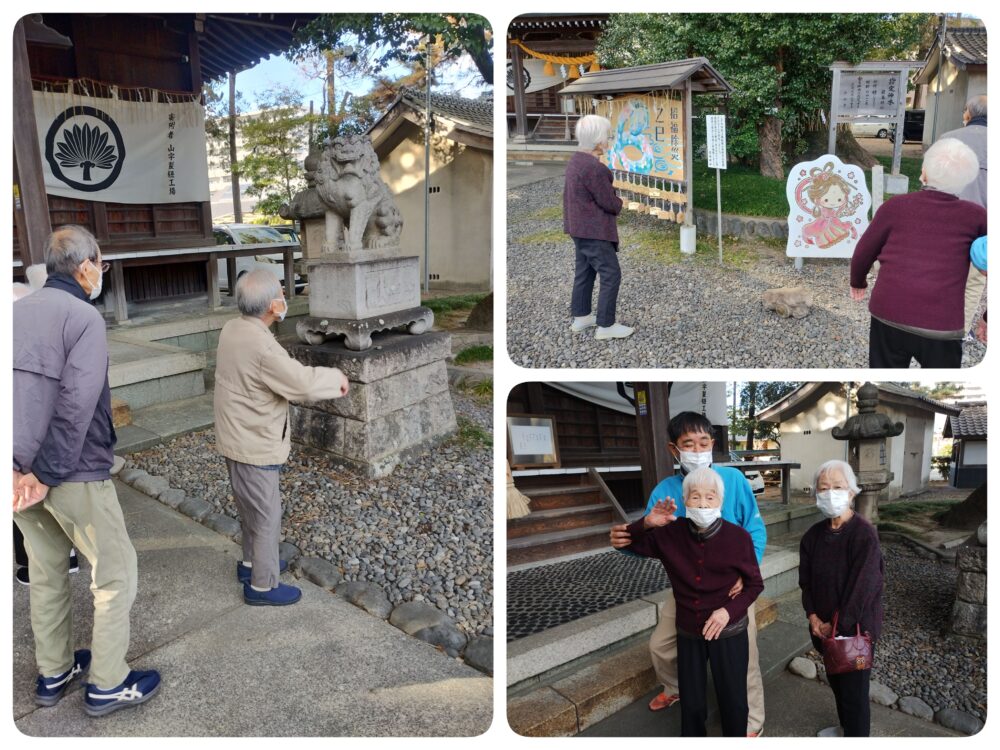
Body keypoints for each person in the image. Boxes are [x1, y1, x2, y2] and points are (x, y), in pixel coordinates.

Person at [13, 225, 161, 716]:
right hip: (69, 473)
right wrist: (46, 472)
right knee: (116, 574)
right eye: (100, 261)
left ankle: (54, 673)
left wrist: (16, 471)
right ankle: (107, 683)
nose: (101, 270)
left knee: (47, 570)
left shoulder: (15, 313)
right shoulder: (82, 317)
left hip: (15, 478)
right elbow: (77, 404)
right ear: (85, 267)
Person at [610, 411, 767, 736]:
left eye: (704, 443)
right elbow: (640, 542)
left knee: (745, 656)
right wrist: (635, 529)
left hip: (733, 587)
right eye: (688, 444)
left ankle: (751, 721)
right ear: (674, 449)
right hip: (687, 588)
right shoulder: (666, 490)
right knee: (661, 645)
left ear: (713, 444)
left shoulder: (734, 481)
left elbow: (755, 529)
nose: (697, 450)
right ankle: (678, 687)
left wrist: (745, 572)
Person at [214, 268, 349, 606]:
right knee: (265, 516)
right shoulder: (262, 346)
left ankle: (251, 564)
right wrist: (336, 380)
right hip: (254, 441)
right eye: (282, 295)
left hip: (235, 434)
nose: (285, 300)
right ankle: (262, 585)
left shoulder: (233, 328)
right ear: (272, 305)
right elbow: (300, 384)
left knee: (249, 509)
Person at [850, 137, 987, 368]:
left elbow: (864, 250)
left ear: (923, 172)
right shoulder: (977, 216)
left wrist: (858, 281)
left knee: (885, 374)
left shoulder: (894, 206)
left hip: (888, 313)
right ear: (966, 182)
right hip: (942, 326)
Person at [798, 460, 884, 737]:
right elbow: (806, 582)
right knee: (837, 682)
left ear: (851, 492)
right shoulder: (812, 537)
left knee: (855, 692)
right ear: (816, 494)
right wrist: (812, 616)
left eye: (838, 487)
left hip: (855, 632)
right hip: (824, 631)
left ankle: (856, 735)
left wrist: (835, 626)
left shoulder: (863, 535)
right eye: (824, 488)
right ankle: (847, 730)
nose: (830, 492)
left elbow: (863, 588)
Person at [563, 114, 634, 341]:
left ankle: (582, 316)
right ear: (597, 140)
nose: (608, 140)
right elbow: (608, 202)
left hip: (578, 227)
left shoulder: (576, 161)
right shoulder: (594, 168)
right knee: (611, 273)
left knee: (584, 272)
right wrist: (621, 202)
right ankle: (606, 325)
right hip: (594, 230)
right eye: (606, 136)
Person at [938, 95, 987, 336]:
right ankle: (960, 330)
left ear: (968, 114)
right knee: (974, 280)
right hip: (985, 229)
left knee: (943, 274)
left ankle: (935, 321)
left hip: (947, 221)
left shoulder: (949, 140)